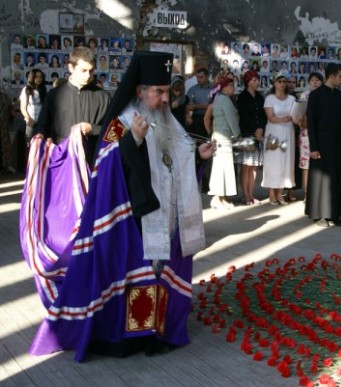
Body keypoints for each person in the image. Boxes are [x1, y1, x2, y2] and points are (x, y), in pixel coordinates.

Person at [24, 50, 215, 362]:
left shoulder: (169, 122)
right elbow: (105, 164)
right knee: (136, 276)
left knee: (157, 272)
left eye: (167, 92)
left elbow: (173, 161)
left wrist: (198, 156)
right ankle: (132, 335)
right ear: (140, 92)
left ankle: (154, 329)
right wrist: (133, 141)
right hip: (131, 218)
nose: (165, 99)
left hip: (164, 214)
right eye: (158, 92)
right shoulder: (122, 123)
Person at [34, 47, 110, 164]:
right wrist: (40, 136)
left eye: (91, 71)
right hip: (62, 160)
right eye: (83, 70)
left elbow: (116, 130)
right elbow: (42, 124)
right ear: (71, 67)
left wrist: (93, 128)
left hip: (93, 160)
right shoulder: (54, 95)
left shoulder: (103, 97)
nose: (88, 75)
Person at [305, 63, 341, 227]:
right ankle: (320, 214)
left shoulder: (340, 96)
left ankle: (334, 213)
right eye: (340, 76)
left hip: (337, 142)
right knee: (321, 179)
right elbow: (311, 122)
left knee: (336, 177)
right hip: (321, 143)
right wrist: (314, 147)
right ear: (331, 76)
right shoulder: (316, 95)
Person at [262, 73, 296, 205]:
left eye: (284, 81)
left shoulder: (292, 98)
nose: (282, 83)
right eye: (280, 81)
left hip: (288, 132)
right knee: (273, 162)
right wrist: (283, 119)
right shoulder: (270, 98)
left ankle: (280, 193)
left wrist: (295, 118)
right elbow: (270, 117)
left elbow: (296, 114)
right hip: (274, 132)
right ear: (275, 83)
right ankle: (271, 193)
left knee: (286, 162)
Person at [208, 77, 240, 209]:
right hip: (223, 137)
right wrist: (238, 134)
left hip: (221, 136)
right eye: (231, 85)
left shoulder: (220, 99)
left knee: (224, 168)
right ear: (225, 87)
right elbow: (232, 120)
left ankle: (222, 198)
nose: (233, 87)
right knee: (220, 169)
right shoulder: (225, 100)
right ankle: (216, 198)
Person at [236, 70, 267, 205]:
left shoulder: (260, 97)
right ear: (248, 82)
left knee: (254, 166)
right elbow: (244, 116)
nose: (257, 82)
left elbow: (263, 115)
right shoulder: (242, 97)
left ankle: (251, 193)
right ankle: (245, 195)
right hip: (247, 134)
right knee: (246, 166)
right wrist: (255, 129)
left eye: (257, 79)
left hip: (258, 134)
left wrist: (261, 128)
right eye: (254, 80)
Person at [297, 72, 323, 202]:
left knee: (320, 164)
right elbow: (298, 116)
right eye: (312, 80)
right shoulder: (304, 95)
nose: (315, 82)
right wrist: (301, 121)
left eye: (317, 80)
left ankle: (318, 193)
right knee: (306, 166)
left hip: (321, 134)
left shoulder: (325, 95)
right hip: (306, 134)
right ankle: (307, 194)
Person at [185, 68, 212, 192]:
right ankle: (195, 182)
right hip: (195, 121)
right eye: (197, 77)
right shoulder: (193, 90)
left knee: (207, 153)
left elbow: (212, 106)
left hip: (208, 120)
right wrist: (192, 109)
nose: (199, 79)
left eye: (201, 77)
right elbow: (188, 105)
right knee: (196, 153)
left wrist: (199, 106)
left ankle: (206, 184)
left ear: (206, 77)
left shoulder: (213, 89)